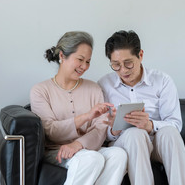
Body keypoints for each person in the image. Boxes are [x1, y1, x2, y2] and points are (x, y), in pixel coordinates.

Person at [30, 31, 127, 185]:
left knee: (118, 154)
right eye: (80, 60)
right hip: (57, 151)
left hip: (87, 148)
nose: (84, 66)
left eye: (88, 61)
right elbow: (50, 131)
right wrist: (86, 117)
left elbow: (100, 129)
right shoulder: (40, 90)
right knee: (91, 158)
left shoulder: (94, 88)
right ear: (62, 56)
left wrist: (78, 144)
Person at [98, 30, 185, 185]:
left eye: (128, 63)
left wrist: (150, 125)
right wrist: (114, 129)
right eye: (116, 65)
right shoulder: (104, 85)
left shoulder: (162, 81)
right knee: (135, 134)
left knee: (170, 133)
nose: (123, 70)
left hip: (156, 143)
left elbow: (175, 124)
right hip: (125, 142)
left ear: (140, 55)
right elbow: (101, 133)